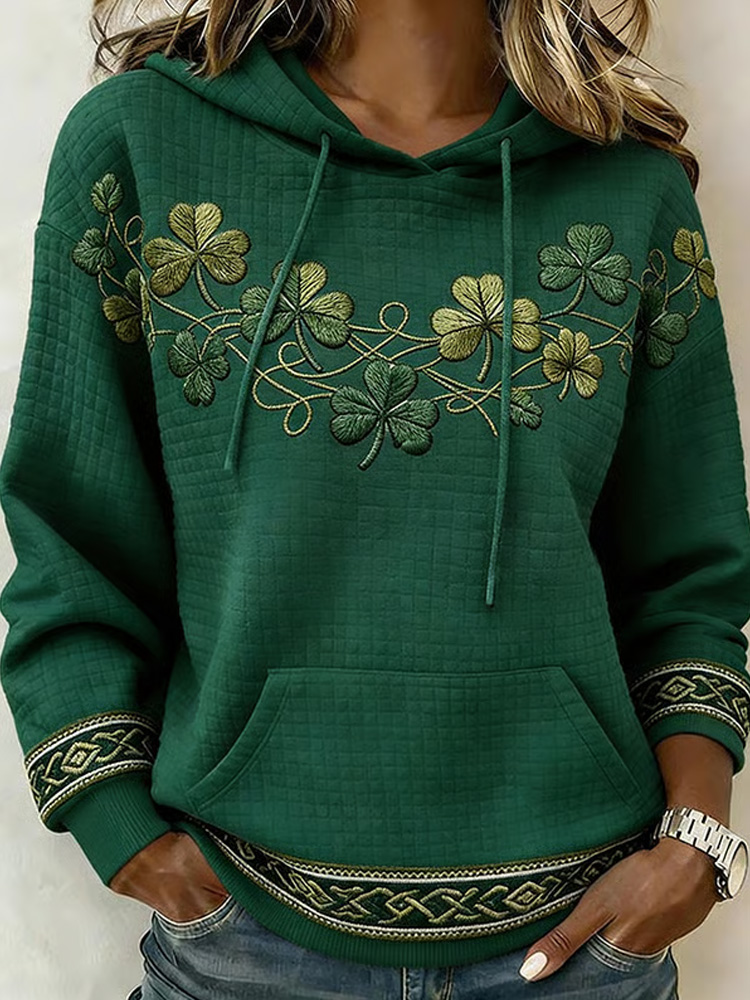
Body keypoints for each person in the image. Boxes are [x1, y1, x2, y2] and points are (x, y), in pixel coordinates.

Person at [1, 1, 749, 997]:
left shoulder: (625, 187)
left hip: (579, 946)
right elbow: (70, 537)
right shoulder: (144, 143)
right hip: (246, 938)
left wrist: (697, 843)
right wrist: (114, 822)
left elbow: (689, 577)